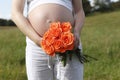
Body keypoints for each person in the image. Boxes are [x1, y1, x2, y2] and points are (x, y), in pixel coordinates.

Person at [11, 0, 85, 80]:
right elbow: (16, 13)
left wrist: (77, 32)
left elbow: (79, 11)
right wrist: (37, 40)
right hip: (36, 48)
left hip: (69, 45)